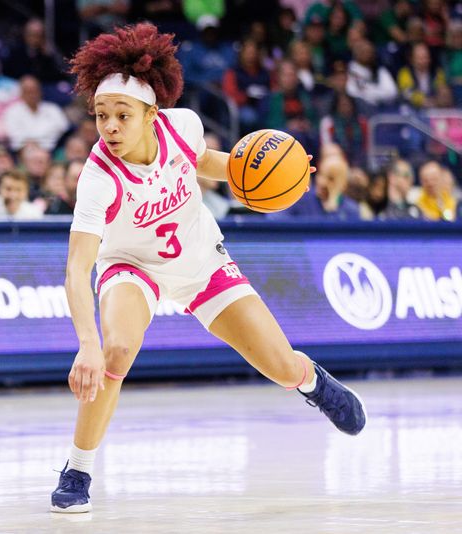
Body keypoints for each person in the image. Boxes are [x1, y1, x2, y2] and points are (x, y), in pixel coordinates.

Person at [51, 22, 366, 514]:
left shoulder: (184, 127)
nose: (109, 127)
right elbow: (77, 268)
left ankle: (312, 381)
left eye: (121, 115)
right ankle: (78, 468)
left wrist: (276, 175)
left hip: (201, 262)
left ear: (153, 115)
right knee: (116, 350)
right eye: (100, 115)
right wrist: (86, 345)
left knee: (281, 367)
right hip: (134, 268)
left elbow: (211, 163)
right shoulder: (97, 177)